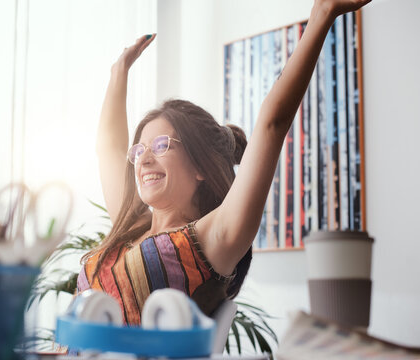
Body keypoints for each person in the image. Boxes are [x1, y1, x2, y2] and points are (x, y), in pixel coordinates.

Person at [77, 0, 371, 325]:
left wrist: (322, 14)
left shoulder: (211, 240)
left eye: (161, 145)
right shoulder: (129, 226)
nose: (144, 157)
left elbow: (272, 123)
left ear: (200, 167)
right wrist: (119, 72)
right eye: (140, 149)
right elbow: (109, 148)